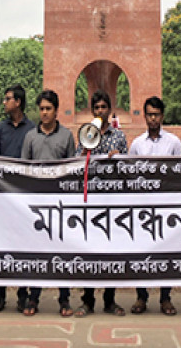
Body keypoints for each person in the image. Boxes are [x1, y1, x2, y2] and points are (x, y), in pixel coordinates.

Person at [20, 89, 76, 317]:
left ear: (56, 110)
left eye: (48, 109)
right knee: (38, 253)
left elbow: (72, 169)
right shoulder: (30, 137)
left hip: (60, 204)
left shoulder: (66, 136)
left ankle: (64, 299)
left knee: (62, 252)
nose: (44, 113)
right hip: (36, 205)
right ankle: (33, 298)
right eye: (41, 109)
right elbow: (23, 169)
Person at [74, 90, 128, 318]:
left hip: (112, 200)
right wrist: (85, 149)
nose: (100, 111)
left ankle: (109, 300)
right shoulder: (87, 132)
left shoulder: (119, 136)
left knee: (110, 252)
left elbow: (128, 167)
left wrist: (119, 157)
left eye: (103, 107)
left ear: (109, 109)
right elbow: (76, 162)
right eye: (96, 108)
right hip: (92, 200)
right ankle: (87, 300)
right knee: (89, 251)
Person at [129, 96, 181, 317]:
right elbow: (130, 174)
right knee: (141, 252)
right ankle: (141, 296)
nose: (153, 118)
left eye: (157, 114)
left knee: (165, 252)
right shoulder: (137, 144)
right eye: (149, 114)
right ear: (145, 116)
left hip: (166, 207)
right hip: (142, 208)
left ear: (162, 116)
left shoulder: (174, 143)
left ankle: (165, 297)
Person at [0, 84, 36, 313]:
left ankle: (23, 294)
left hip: (25, 198)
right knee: (1, 245)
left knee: (24, 246)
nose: (4, 103)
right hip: (2, 196)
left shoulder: (32, 130)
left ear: (17, 102)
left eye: (7, 99)